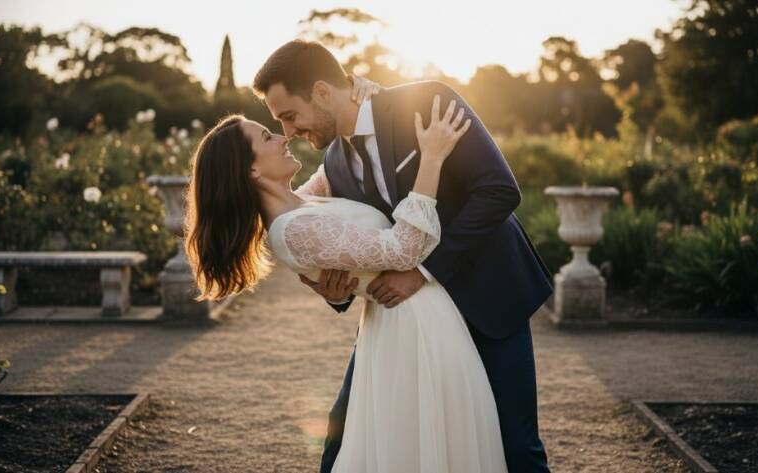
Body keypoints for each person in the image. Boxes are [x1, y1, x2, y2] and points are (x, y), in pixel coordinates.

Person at [253, 40, 553, 472]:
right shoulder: (335, 163)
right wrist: (335, 290)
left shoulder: (427, 102)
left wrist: (423, 271)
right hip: (406, 320)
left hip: (487, 297)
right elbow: (352, 243)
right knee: (341, 432)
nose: (288, 132)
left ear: (321, 92)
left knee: (516, 445)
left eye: (288, 116)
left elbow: (498, 190)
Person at [185, 95, 509, 471]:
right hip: (412, 326)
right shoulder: (294, 230)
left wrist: (357, 97)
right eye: (268, 136)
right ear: (252, 172)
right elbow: (404, 250)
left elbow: (346, 154)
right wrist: (432, 158)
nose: (283, 137)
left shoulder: (301, 201)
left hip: (417, 319)